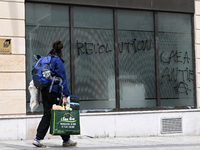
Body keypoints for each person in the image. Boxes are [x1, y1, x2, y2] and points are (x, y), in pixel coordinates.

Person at [32, 40, 77, 148]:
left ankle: (40, 138)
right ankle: (64, 140)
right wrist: (66, 95)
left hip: (45, 90)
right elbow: (63, 79)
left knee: (48, 114)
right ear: (61, 50)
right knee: (59, 113)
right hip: (55, 91)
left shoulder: (47, 59)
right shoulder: (58, 61)